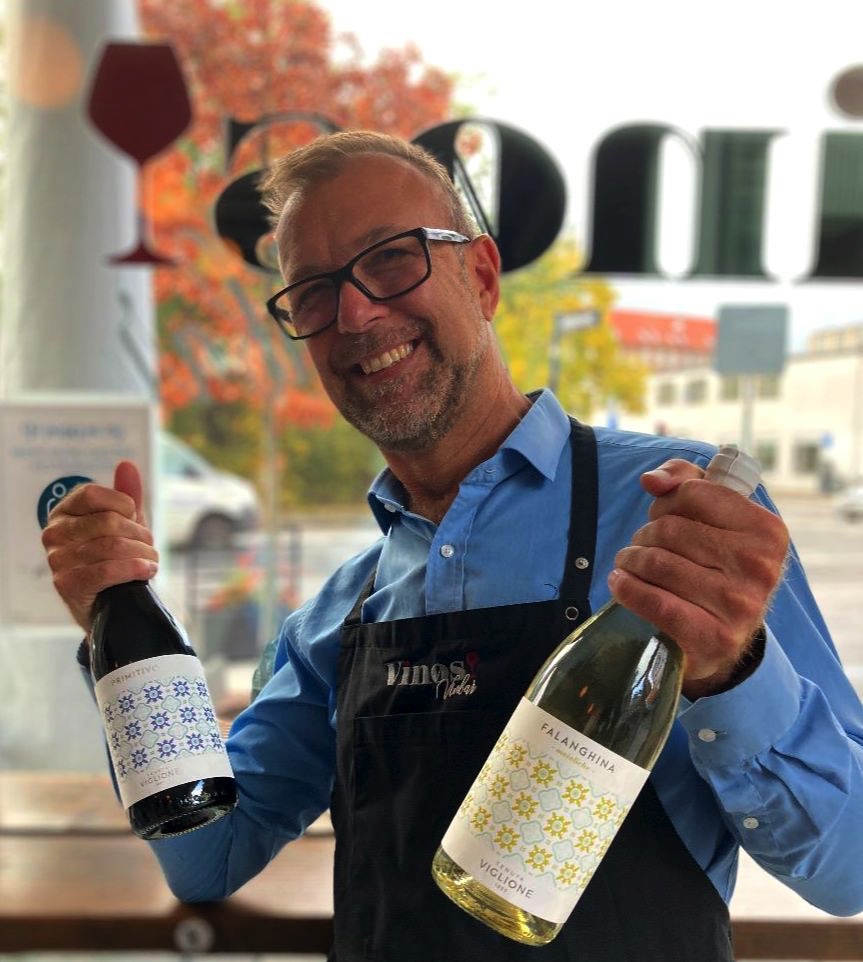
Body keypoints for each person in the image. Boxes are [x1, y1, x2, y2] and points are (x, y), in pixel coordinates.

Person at [42, 130, 863, 962]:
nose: (355, 313)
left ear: (481, 277)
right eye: (314, 292)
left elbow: (848, 868)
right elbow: (206, 854)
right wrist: (119, 625)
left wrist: (732, 672)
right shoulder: (337, 616)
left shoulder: (679, 520)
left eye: (391, 259)